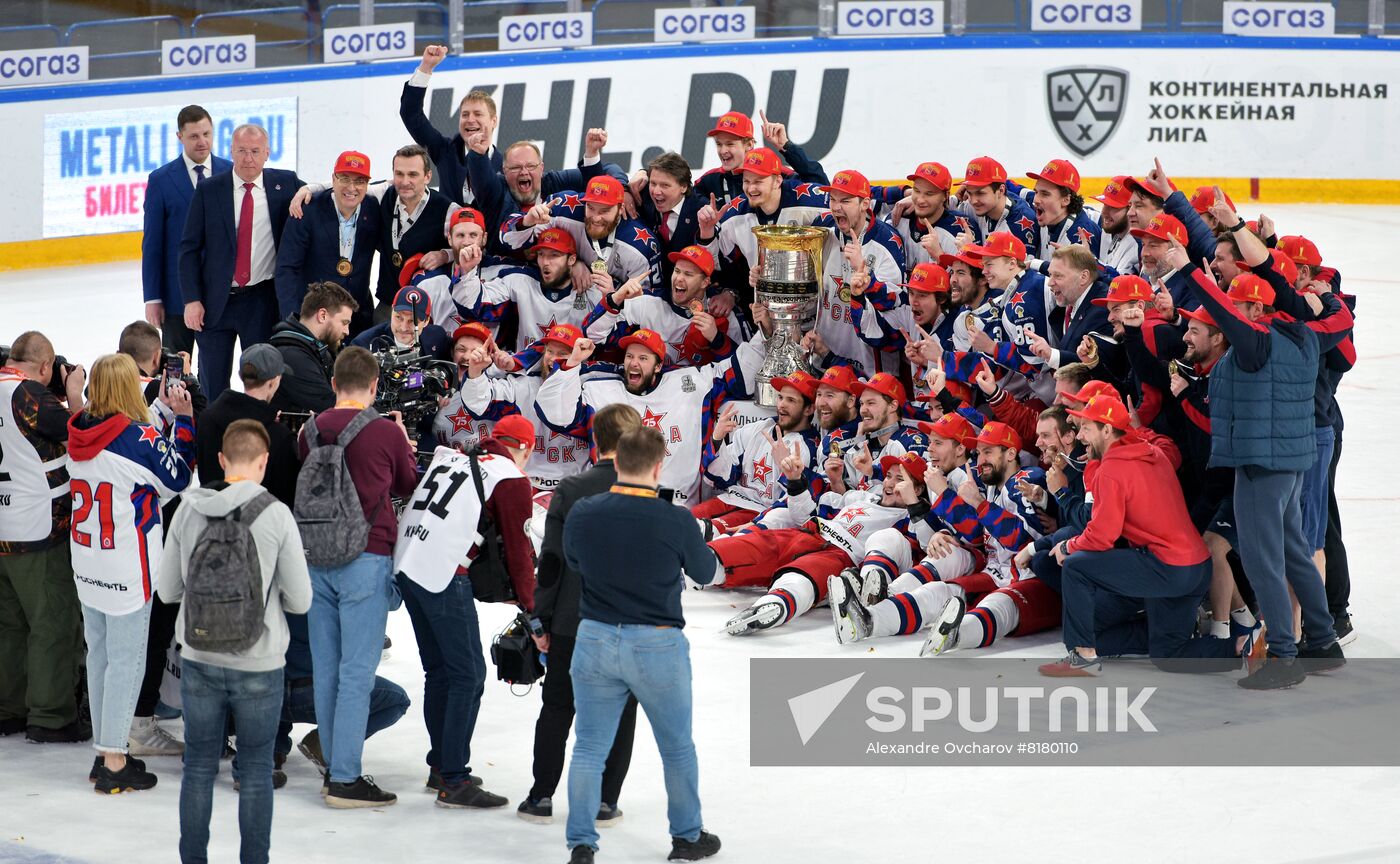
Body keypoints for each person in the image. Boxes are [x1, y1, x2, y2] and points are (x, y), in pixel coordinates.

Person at [1166, 237, 1344, 689]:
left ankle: (1285, 655)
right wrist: (1325, 297)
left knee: (1266, 562)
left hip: (1261, 467)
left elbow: (1223, 314)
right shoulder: (1302, 335)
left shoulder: (1256, 342)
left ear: (1256, 310)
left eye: (1237, 304)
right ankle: (1322, 640)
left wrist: (1188, 269)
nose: (1229, 310)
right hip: (1286, 464)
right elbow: (1339, 321)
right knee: (1292, 553)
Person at [563, 426, 722, 864]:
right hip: (656, 642)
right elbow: (706, 573)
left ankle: (581, 843)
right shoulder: (676, 518)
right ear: (658, 465)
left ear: (615, 461)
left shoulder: (584, 510)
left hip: (595, 636)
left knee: (589, 748)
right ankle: (686, 838)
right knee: (676, 746)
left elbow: (574, 562)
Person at [159, 420, 311, 864]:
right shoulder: (276, 514)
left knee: (200, 768)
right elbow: (300, 601)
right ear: (263, 463)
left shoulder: (188, 509)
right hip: (260, 662)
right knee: (258, 771)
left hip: (200, 658)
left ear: (222, 461)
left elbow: (168, 592)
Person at [1038, 395, 1247, 677]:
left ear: (1108, 430)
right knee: (1168, 654)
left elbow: (1102, 537)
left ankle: (1083, 658)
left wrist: (1068, 545)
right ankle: (1243, 648)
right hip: (1195, 567)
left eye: (1087, 428)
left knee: (1075, 566)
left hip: (1167, 567)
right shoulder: (1152, 452)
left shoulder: (1111, 469)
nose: (1081, 435)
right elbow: (1168, 448)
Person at [393, 413, 537, 810]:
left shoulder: (453, 456)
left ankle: (442, 765)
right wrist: (532, 606)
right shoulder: (510, 477)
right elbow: (520, 552)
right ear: (524, 449)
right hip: (441, 573)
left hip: (407, 563)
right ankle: (453, 778)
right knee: (468, 674)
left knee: (439, 671)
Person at [67, 353, 194, 793]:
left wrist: (158, 411)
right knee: (126, 662)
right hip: (125, 565)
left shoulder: (79, 426)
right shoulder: (136, 438)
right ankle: (116, 760)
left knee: (100, 656)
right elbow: (175, 477)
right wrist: (184, 421)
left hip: (87, 562)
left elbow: (129, 464)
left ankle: (106, 748)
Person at [297, 347, 418, 807]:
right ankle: (345, 777)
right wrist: (402, 441)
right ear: (373, 387)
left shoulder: (309, 431)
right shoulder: (384, 431)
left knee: (327, 669)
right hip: (365, 558)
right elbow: (406, 484)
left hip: (316, 559)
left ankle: (336, 766)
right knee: (356, 673)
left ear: (333, 384)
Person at [522, 404, 642, 827]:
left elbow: (551, 561)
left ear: (596, 440)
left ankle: (540, 798)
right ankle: (606, 802)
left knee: (557, 707)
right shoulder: (651, 491)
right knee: (621, 711)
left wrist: (540, 619)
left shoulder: (571, 489)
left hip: (573, 622)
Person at [0, 332, 88, 743]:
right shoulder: (29, 395)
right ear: (47, 366)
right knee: (52, 620)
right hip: (37, 527)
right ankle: (51, 715)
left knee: (9, 624)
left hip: (3, 526)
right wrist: (73, 393)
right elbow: (79, 432)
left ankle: (9, 708)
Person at [179, 123, 305, 399]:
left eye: (255, 151)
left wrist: (311, 190)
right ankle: (214, 438)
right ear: (231, 152)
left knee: (261, 379)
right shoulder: (209, 190)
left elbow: (322, 198)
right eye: (242, 151)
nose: (248, 158)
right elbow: (188, 248)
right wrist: (192, 299)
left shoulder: (285, 184)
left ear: (267, 153)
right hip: (215, 303)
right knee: (213, 382)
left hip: (260, 301)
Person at [142, 105, 232, 356]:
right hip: (175, 297)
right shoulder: (161, 180)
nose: (202, 142)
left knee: (214, 370)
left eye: (207, 134)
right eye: (194, 136)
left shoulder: (231, 172)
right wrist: (153, 297)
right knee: (175, 370)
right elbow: (152, 244)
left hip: (220, 293)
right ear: (180, 137)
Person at [276, 151, 382, 335]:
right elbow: (287, 268)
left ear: (367, 185)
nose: (352, 187)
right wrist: (293, 319)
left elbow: (404, 185)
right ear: (333, 179)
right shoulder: (307, 210)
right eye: (345, 178)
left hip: (358, 318)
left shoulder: (373, 209)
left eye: (359, 181)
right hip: (314, 319)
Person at [197, 345, 301, 506]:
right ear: (273, 382)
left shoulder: (207, 419)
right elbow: (287, 496)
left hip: (210, 516)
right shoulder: (278, 436)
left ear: (240, 376)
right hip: (262, 521)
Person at [401, 45, 503, 208]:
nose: (470, 120)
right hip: (447, 233)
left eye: (478, 114)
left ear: (493, 121)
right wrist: (426, 67)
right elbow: (411, 115)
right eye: (465, 114)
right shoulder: (446, 151)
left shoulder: (506, 165)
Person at [268, 282, 357, 416]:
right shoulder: (292, 356)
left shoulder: (315, 348)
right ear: (322, 315)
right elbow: (331, 405)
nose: (347, 331)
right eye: (344, 323)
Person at [349, 284, 451, 360]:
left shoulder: (438, 337)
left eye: (412, 321)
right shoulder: (363, 346)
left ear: (426, 321)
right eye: (398, 317)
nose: (403, 328)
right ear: (392, 310)